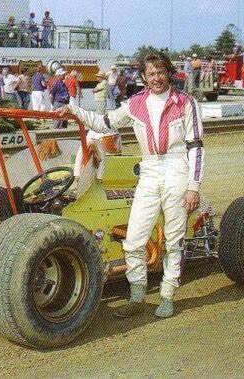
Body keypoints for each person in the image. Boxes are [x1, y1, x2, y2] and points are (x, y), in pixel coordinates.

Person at [56, 52, 204, 318]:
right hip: (148, 170)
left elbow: (195, 146)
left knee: (174, 238)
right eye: (151, 74)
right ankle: (137, 296)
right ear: (144, 77)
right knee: (134, 238)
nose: (156, 78)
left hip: (176, 169)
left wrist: (194, 186)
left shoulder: (185, 103)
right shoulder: (135, 104)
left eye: (161, 72)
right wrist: (74, 110)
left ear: (168, 73)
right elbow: (104, 123)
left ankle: (167, 295)